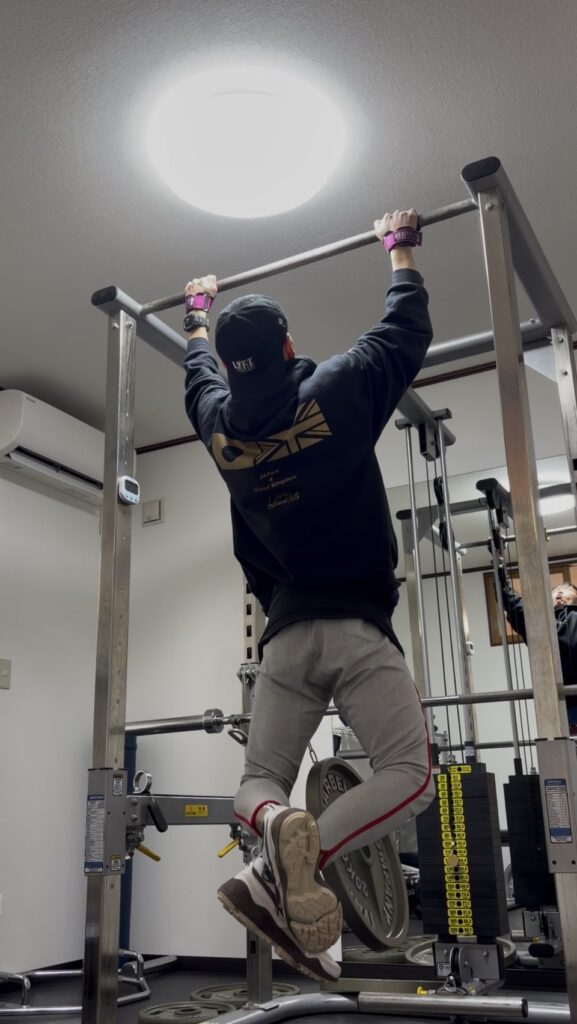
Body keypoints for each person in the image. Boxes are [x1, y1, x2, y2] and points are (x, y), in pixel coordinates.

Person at [183, 209, 435, 982]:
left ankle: (275, 831)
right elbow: (405, 330)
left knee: (257, 784)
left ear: (232, 370)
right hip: (357, 627)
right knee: (408, 773)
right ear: (289, 348)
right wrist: (398, 245)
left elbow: (196, 377)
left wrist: (195, 315)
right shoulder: (337, 389)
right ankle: (295, 856)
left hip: (285, 637)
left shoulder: (219, 428)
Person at [499, 572, 577, 732]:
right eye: (556, 590)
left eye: (566, 590)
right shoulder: (539, 622)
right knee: (560, 741)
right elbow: (514, 605)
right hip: (558, 705)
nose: (560, 592)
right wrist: (500, 575)